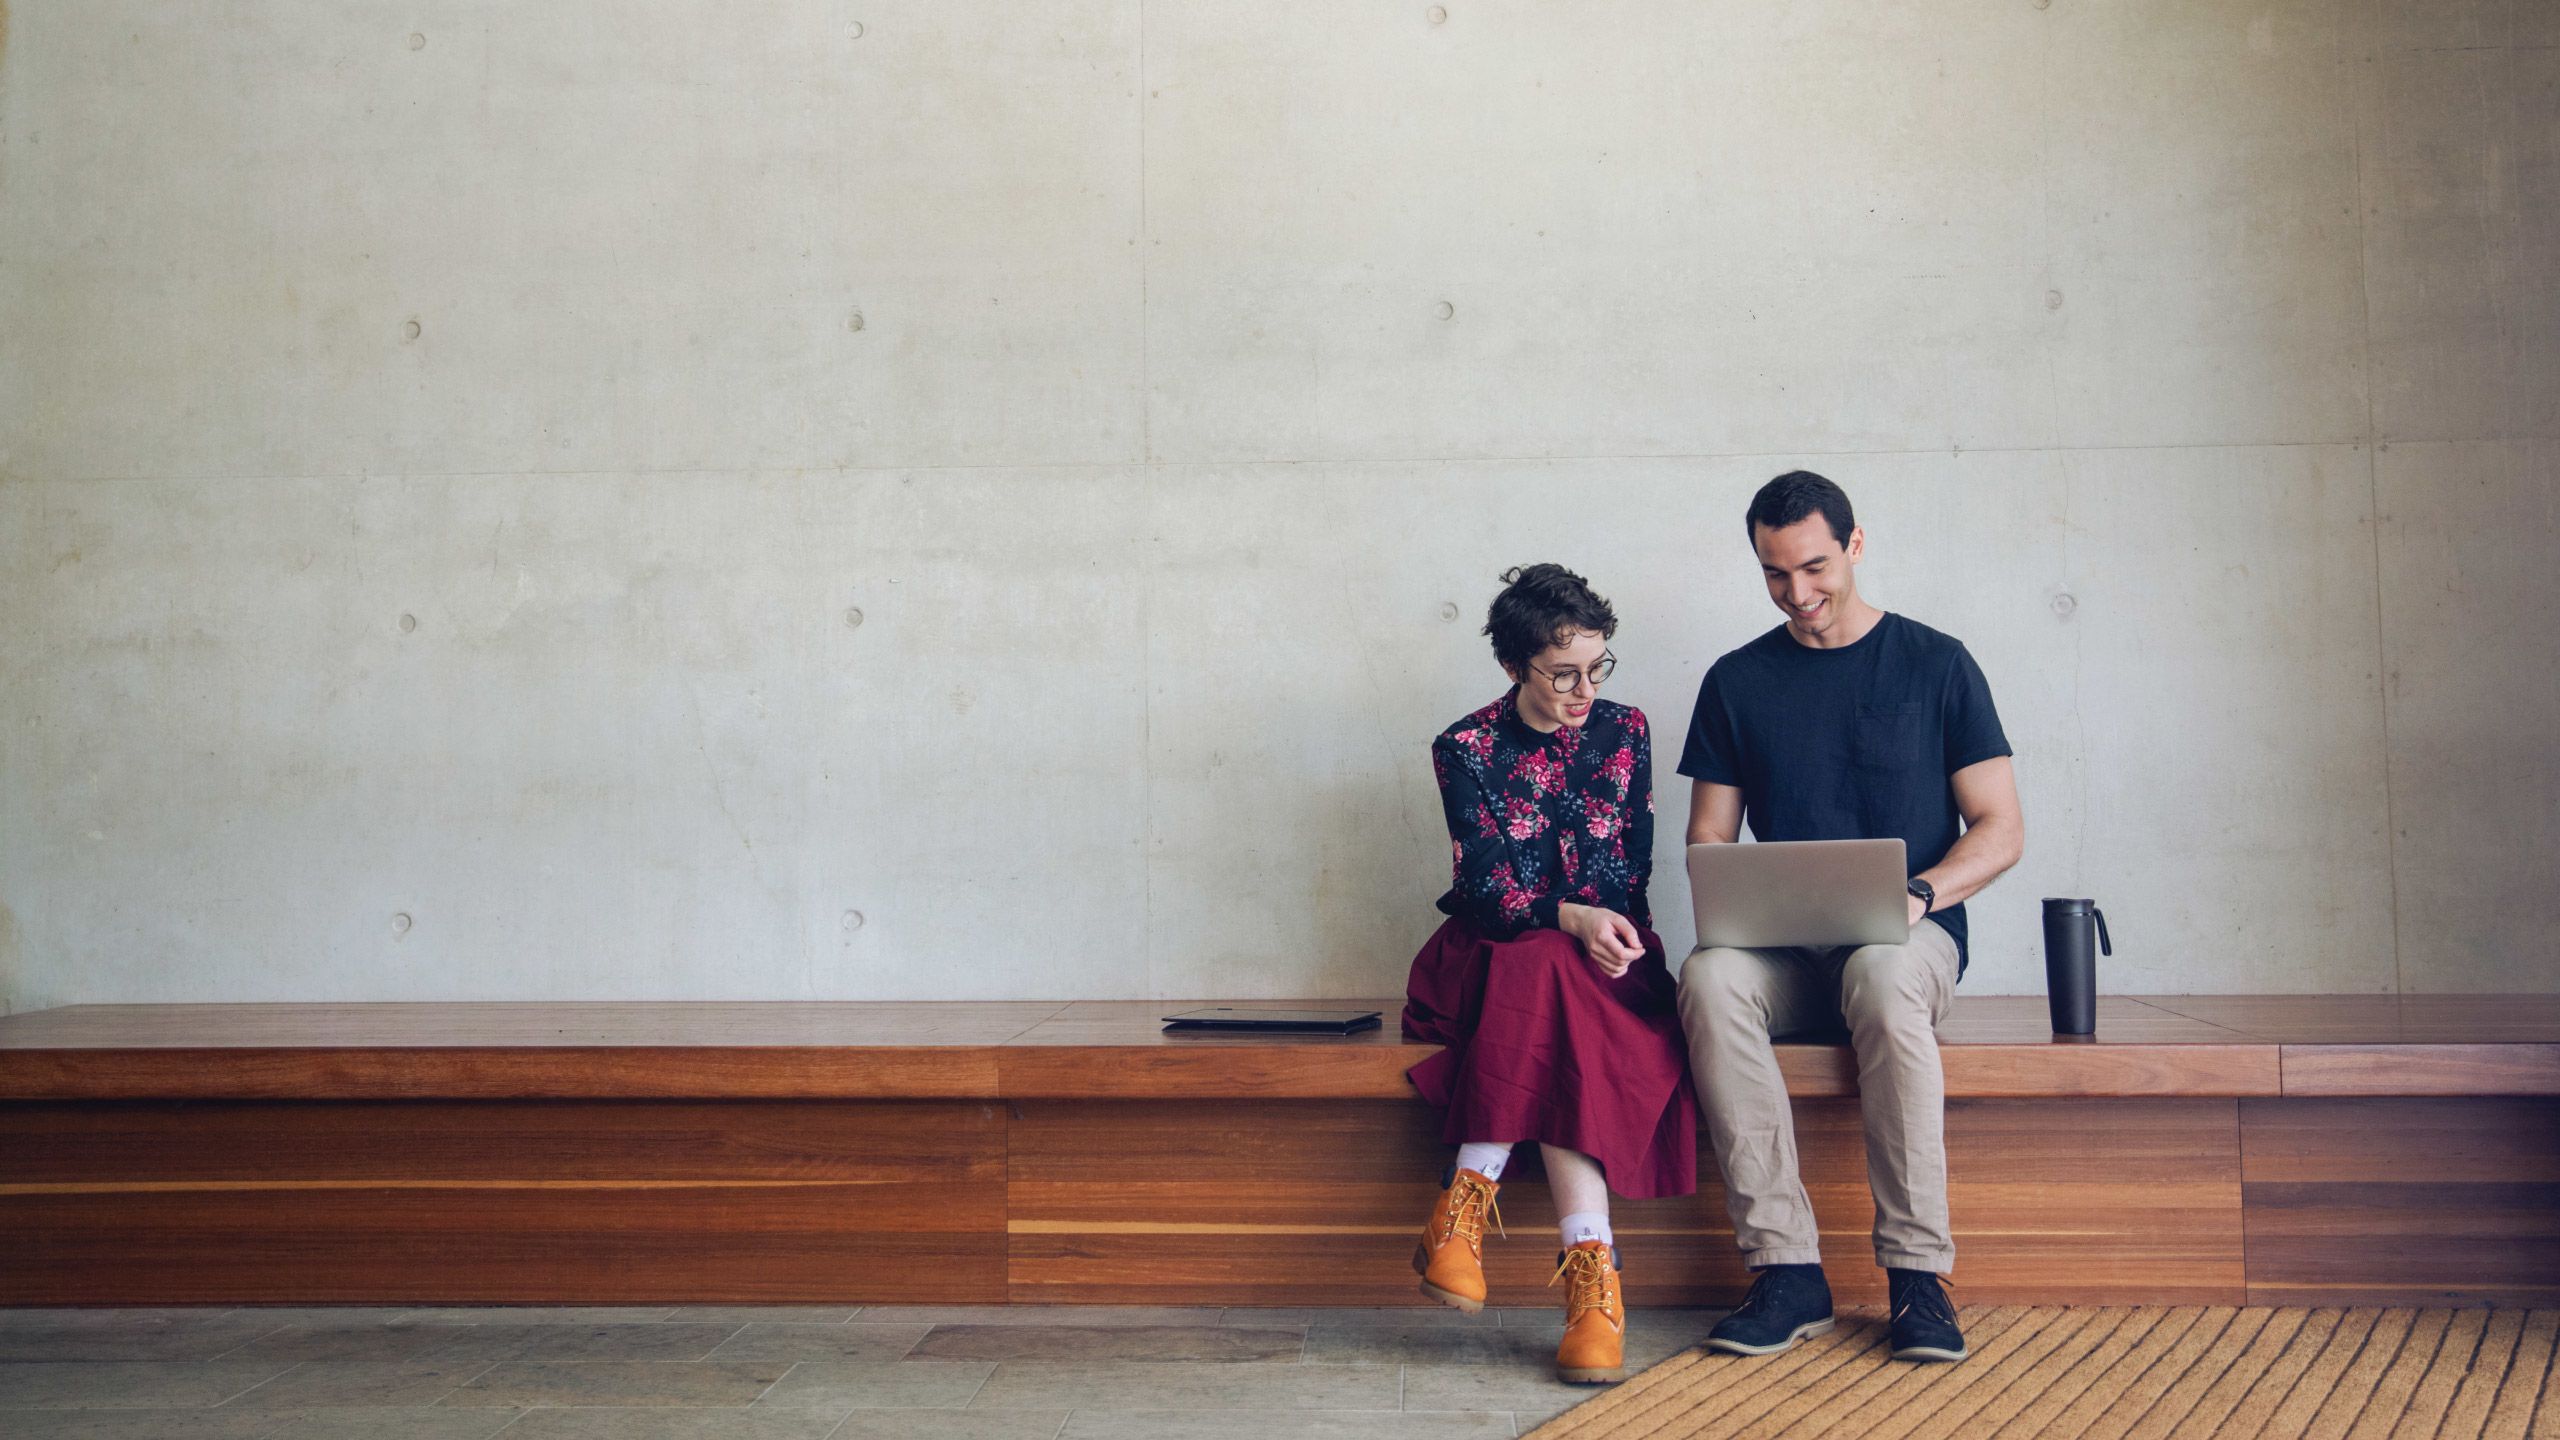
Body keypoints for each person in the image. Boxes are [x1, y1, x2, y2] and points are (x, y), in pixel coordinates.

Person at [1677, 472, 2024, 1365]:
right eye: (1775, 574)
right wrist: (1729, 896)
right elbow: (1709, 839)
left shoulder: (1937, 663)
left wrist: (1920, 896)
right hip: (1785, 953)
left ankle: (1918, 1278)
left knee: (1880, 965)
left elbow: (2002, 829)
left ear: (1856, 545)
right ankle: (1787, 1271)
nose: (1799, 593)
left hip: (1910, 940)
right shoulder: (1736, 681)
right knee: (1708, 978)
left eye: (1816, 567)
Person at [1402, 563, 1700, 1386]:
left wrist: (1604, 930)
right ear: (1512, 667)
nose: (1583, 690)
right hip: (1488, 958)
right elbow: (1489, 891)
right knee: (1539, 965)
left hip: (1604, 958)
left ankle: (1464, 1207)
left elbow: (1628, 873)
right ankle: (1594, 1291)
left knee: (1561, 986)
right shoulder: (1463, 748)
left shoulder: (1628, 731)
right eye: (1562, 672)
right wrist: (1568, 917)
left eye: (1597, 668)